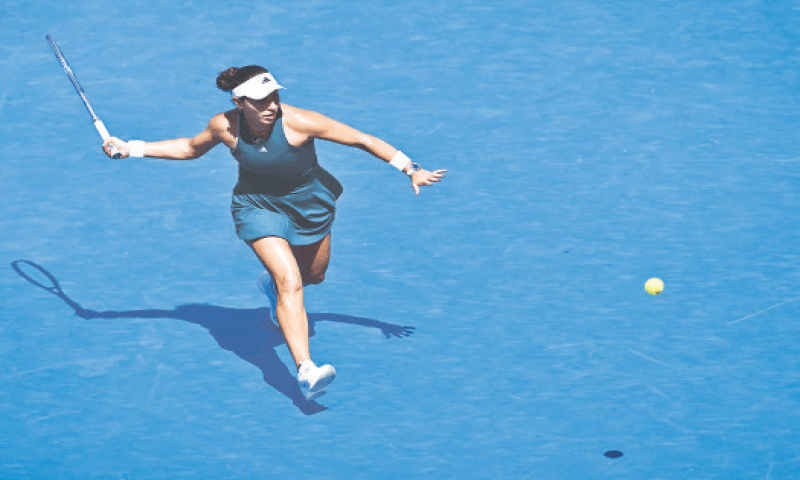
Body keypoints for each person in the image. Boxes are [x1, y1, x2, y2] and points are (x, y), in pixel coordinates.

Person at [102, 65, 446, 401]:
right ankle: (306, 369)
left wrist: (411, 169)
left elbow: (362, 139)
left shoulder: (299, 122)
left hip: (310, 204)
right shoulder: (224, 126)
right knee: (289, 279)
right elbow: (190, 148)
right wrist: (132, 147)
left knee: (314, 275)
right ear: (240, 103)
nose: (270, 106)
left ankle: (269, 288)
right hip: (257, 207)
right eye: (260, 101)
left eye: (273, 97)